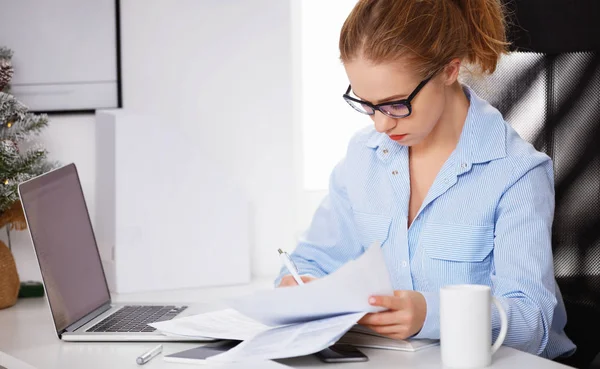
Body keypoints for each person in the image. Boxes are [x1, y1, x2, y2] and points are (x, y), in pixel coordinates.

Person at [275, 0, 576, 360]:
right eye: (367, 104)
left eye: (396, 104)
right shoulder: (363, 156)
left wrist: (430, 315)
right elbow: (311, 261)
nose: (381, 124)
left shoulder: (515, 173)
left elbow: (535, 322)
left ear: (449, 70)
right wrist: (299, 285)